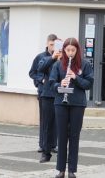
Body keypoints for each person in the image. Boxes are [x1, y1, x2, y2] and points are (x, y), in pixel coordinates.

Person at [50, 38, 94, 178]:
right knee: (61, 136)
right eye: (67, 50)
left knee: (74, 136)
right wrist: (59, 84)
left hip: (77, 104)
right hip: (61, 103)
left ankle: (72, 170)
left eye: (73, 50)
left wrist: (75, 77)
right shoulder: (58, 65)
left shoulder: (85, 64)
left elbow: (88, 84)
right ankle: (61, 169)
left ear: (77, 50)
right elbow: (51, 83)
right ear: (63, 50)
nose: (70, 53)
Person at [36, 34, 61, 163]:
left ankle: (56, 146)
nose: (53, 47)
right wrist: (52, 58)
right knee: (46, 123)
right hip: (46, 93)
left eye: (55, 45)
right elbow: (38, 69)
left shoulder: (64, 57)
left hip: (60, 93)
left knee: (59, 123)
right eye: (51, 44)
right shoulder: (43, 57)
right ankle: (45, 151)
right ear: (47, 44)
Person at [0, 11, 9, 82]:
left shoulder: (10, 24)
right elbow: (1, 34)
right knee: (3, 61)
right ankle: (4, 78)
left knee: (6, 61)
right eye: (3, 14)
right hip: (2, 45)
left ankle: (6, 79)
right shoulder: (2, 24)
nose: (4, 16)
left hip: (7, 45)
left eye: (5, 14)